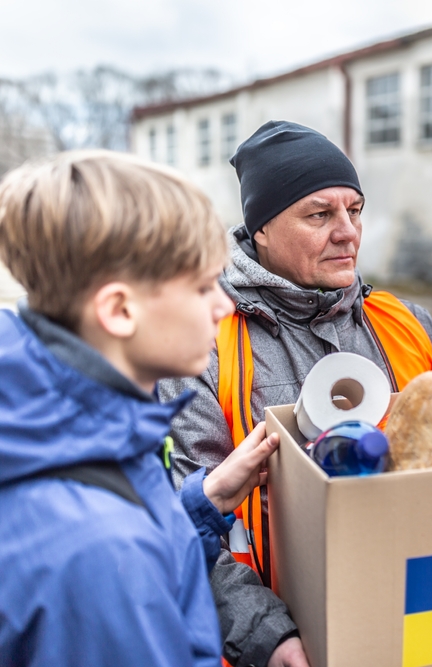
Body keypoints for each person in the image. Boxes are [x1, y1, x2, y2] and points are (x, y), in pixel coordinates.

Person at [158, 120, 432, 667]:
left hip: (414, 616)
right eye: (320, 214)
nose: (348, 232)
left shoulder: (407, 325)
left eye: (355, 210)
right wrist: (267, 636)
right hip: (283, 639)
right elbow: (185, 517)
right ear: (263, 229)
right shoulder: (203, 342)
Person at [0, 151, 280, 666]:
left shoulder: (80, 426)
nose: (223, 306)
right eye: (202, 287)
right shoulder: (95, 552)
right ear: (119, 310)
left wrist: (202, 505)